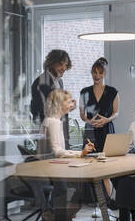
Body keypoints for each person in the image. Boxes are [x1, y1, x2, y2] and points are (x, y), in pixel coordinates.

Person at [39, 89, 94, 221]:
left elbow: (58, 150)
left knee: (77, 186)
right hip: (51, 171)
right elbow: (57, 152)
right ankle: (58, 216)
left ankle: (56, 215)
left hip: (49, 168)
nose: (71, 105)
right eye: (68, 102)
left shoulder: (51, 120)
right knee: (82, 188)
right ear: (59, 103)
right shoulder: (53, 122)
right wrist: (80, 154)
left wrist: (81, 153)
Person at [30, 49, 73, 149]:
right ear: (51, 63)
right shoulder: (41, 82)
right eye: (60, 64)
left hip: (61, 131)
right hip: (49, 132)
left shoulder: (60, 81)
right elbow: (40, 110)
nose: (64, 68)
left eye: (66, 65)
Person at [79, 57, 119, 153]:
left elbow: (116, 112)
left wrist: (107, 120)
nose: (97, 76)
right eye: (94, 72)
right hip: (90, 130)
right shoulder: (84, 92)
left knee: (109, 159)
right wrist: (89, 121)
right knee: (89, 158)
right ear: (91, 73)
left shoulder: (112, 91)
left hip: (107, 131)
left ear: (104, 74)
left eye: (100, 73)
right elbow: (82, 114)